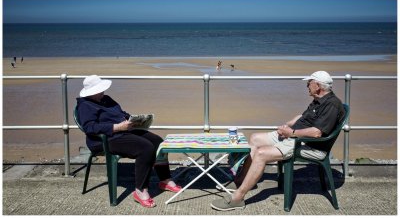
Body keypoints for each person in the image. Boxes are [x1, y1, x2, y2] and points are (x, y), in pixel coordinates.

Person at [210, 71, 345, 211]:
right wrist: (289, 125)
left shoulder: (332, 105)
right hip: (294, 136)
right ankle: (241, 180)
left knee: (261, 154)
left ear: (317, 85)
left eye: (309, 83)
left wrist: (292, 133)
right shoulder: (319, 99)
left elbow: (317, 133)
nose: (307, 85)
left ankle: (238, 198)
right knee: (255, 138)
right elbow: (305, 116)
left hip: (305, 144)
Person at [76, 75, 181, 208]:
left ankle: (165, 179)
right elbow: (89, 128)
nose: (102, 92)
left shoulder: (106, 99)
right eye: (99, 90)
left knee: (158, 142)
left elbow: (120, 113)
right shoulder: (85, 105)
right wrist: (117, 127)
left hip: (122, 132)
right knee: (146, 148)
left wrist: (134, 120)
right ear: (91, 92)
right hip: (104, 140)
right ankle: (140, 190)